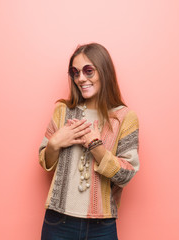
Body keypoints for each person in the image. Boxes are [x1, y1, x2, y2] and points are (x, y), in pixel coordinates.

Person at [39, 43, 140, 239]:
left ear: (104, 71)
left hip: (101, 226)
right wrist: (54, 144)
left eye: (88, 71)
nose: (81, 78)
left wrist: (96, 146)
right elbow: (45, 162)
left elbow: (127, 174)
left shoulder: (124, 117)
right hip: (58, 220)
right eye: (75, 73)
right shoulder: (63, 112)